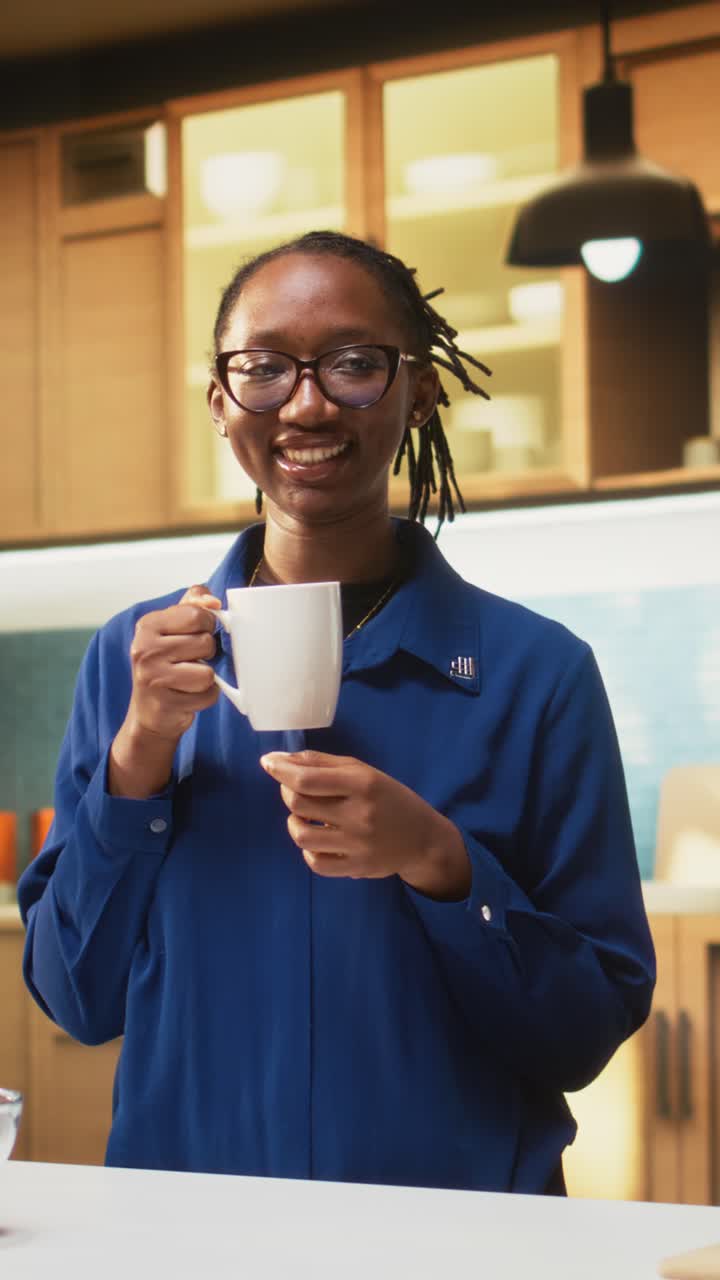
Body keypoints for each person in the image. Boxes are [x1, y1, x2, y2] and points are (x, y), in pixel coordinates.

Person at [18, 230, 655, 1194]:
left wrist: (444, 864)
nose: (307, 402)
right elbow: (76, 998)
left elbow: (582, 1032)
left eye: (354, 364)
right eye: (264, 368)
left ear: (418, 390)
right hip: (192, 1233)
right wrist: (140, 753)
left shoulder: (539, 676)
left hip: (464, 1242)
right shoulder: (131, 661)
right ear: (221, 401)